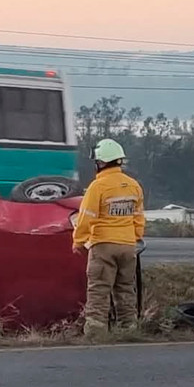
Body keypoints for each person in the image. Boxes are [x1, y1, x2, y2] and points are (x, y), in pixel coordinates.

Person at [73, 138, 145, 338]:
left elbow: (86, 216)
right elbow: (139, 217)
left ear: (102, 162)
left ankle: (96, 333)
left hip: (103, 245)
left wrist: (78, 241)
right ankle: (128, 330)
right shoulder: (134, 186)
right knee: (125, 289)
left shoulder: (98, 186)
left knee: (99, 290)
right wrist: (135, 237)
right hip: (128, 245)